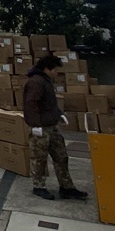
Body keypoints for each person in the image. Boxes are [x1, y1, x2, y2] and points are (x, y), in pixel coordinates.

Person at [23, 54, 88, 201]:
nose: (56, 73)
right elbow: (31, 104)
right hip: (41, 127)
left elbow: (49, 103)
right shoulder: (36, 82)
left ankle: (66, 187)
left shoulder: (45, 81)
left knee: (61, 156)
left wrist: (59, 114)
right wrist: (35, 125)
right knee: (39, 158)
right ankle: (39, 186)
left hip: (51, 125)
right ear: (46, 69)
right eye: (55, 70)